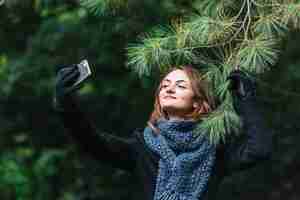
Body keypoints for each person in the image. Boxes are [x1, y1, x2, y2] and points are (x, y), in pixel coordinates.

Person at [54, 65, 272, 200]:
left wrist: (246, 100)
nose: (168, 88)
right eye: (165, 85)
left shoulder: (215, 149)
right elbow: (92, 142)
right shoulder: (143, 146)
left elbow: (259, 149)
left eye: (180, 86)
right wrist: (65, 103)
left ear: (198, 104)